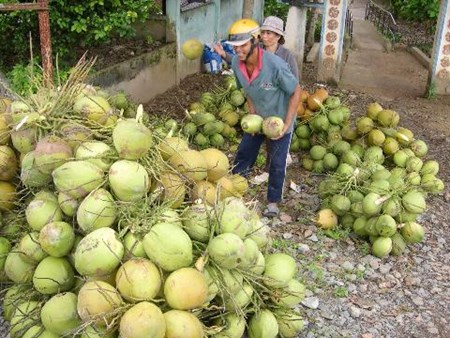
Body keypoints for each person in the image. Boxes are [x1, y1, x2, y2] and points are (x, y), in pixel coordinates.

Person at [225, 18, 301, 218]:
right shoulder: (236, 62)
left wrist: (286, 123)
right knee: (244, 153)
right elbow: (247, 89)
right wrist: (252, 111)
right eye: (234, 47)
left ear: (255, 41)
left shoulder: (275, 64)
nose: (238, 50)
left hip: (279, 119)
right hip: (258, 117)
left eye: (242, 45)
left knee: (277, 162)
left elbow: (296, 91)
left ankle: (273, 202)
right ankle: (233, 191)